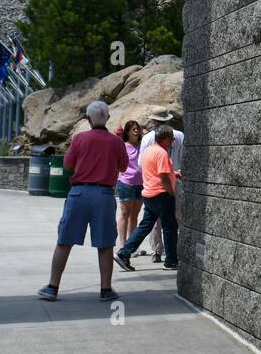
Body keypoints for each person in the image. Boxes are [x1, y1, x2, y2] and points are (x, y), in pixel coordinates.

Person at [37, 101, 127, 303]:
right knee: (105, 244)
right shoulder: (116, 142)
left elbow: (68, 164)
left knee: (64, 241)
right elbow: (123, 167)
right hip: (104, 196)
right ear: (108, 118)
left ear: (88, 119)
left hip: (79, 193)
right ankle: (106, 289)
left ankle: (52, 287)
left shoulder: (79, 139)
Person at [118, 124, 180, 272]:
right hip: (162, 194)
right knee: (170, 227)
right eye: (171, 139)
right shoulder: (162, 153)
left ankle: (124, 252)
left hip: (149, 194)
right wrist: (171, 192)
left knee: (145, 226)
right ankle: (171, 261)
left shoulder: (147, 151)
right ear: (164, 139)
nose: (172, 142)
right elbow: (163, 177)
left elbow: (156, 172)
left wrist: (174, 174)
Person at [135, 113, 184, 264]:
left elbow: (140, 163)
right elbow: (183, 158)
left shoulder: (147, 138)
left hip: (152, 184)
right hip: (173, 181)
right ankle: (176, 251)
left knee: (154, 221)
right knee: (177, 217)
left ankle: (157, 250)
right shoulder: (180, 135)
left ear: (154, 121)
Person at [115, 121, 144, 250]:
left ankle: (130, 246)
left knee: (134, 216)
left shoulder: (143, 145)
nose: (136, 131)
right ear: (127, 132)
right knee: (125, 214)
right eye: (133, 129)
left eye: (137, 129)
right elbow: (116, 164)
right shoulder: (123, 146)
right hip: (126, 183)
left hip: (141, 184)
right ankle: (123, 244)